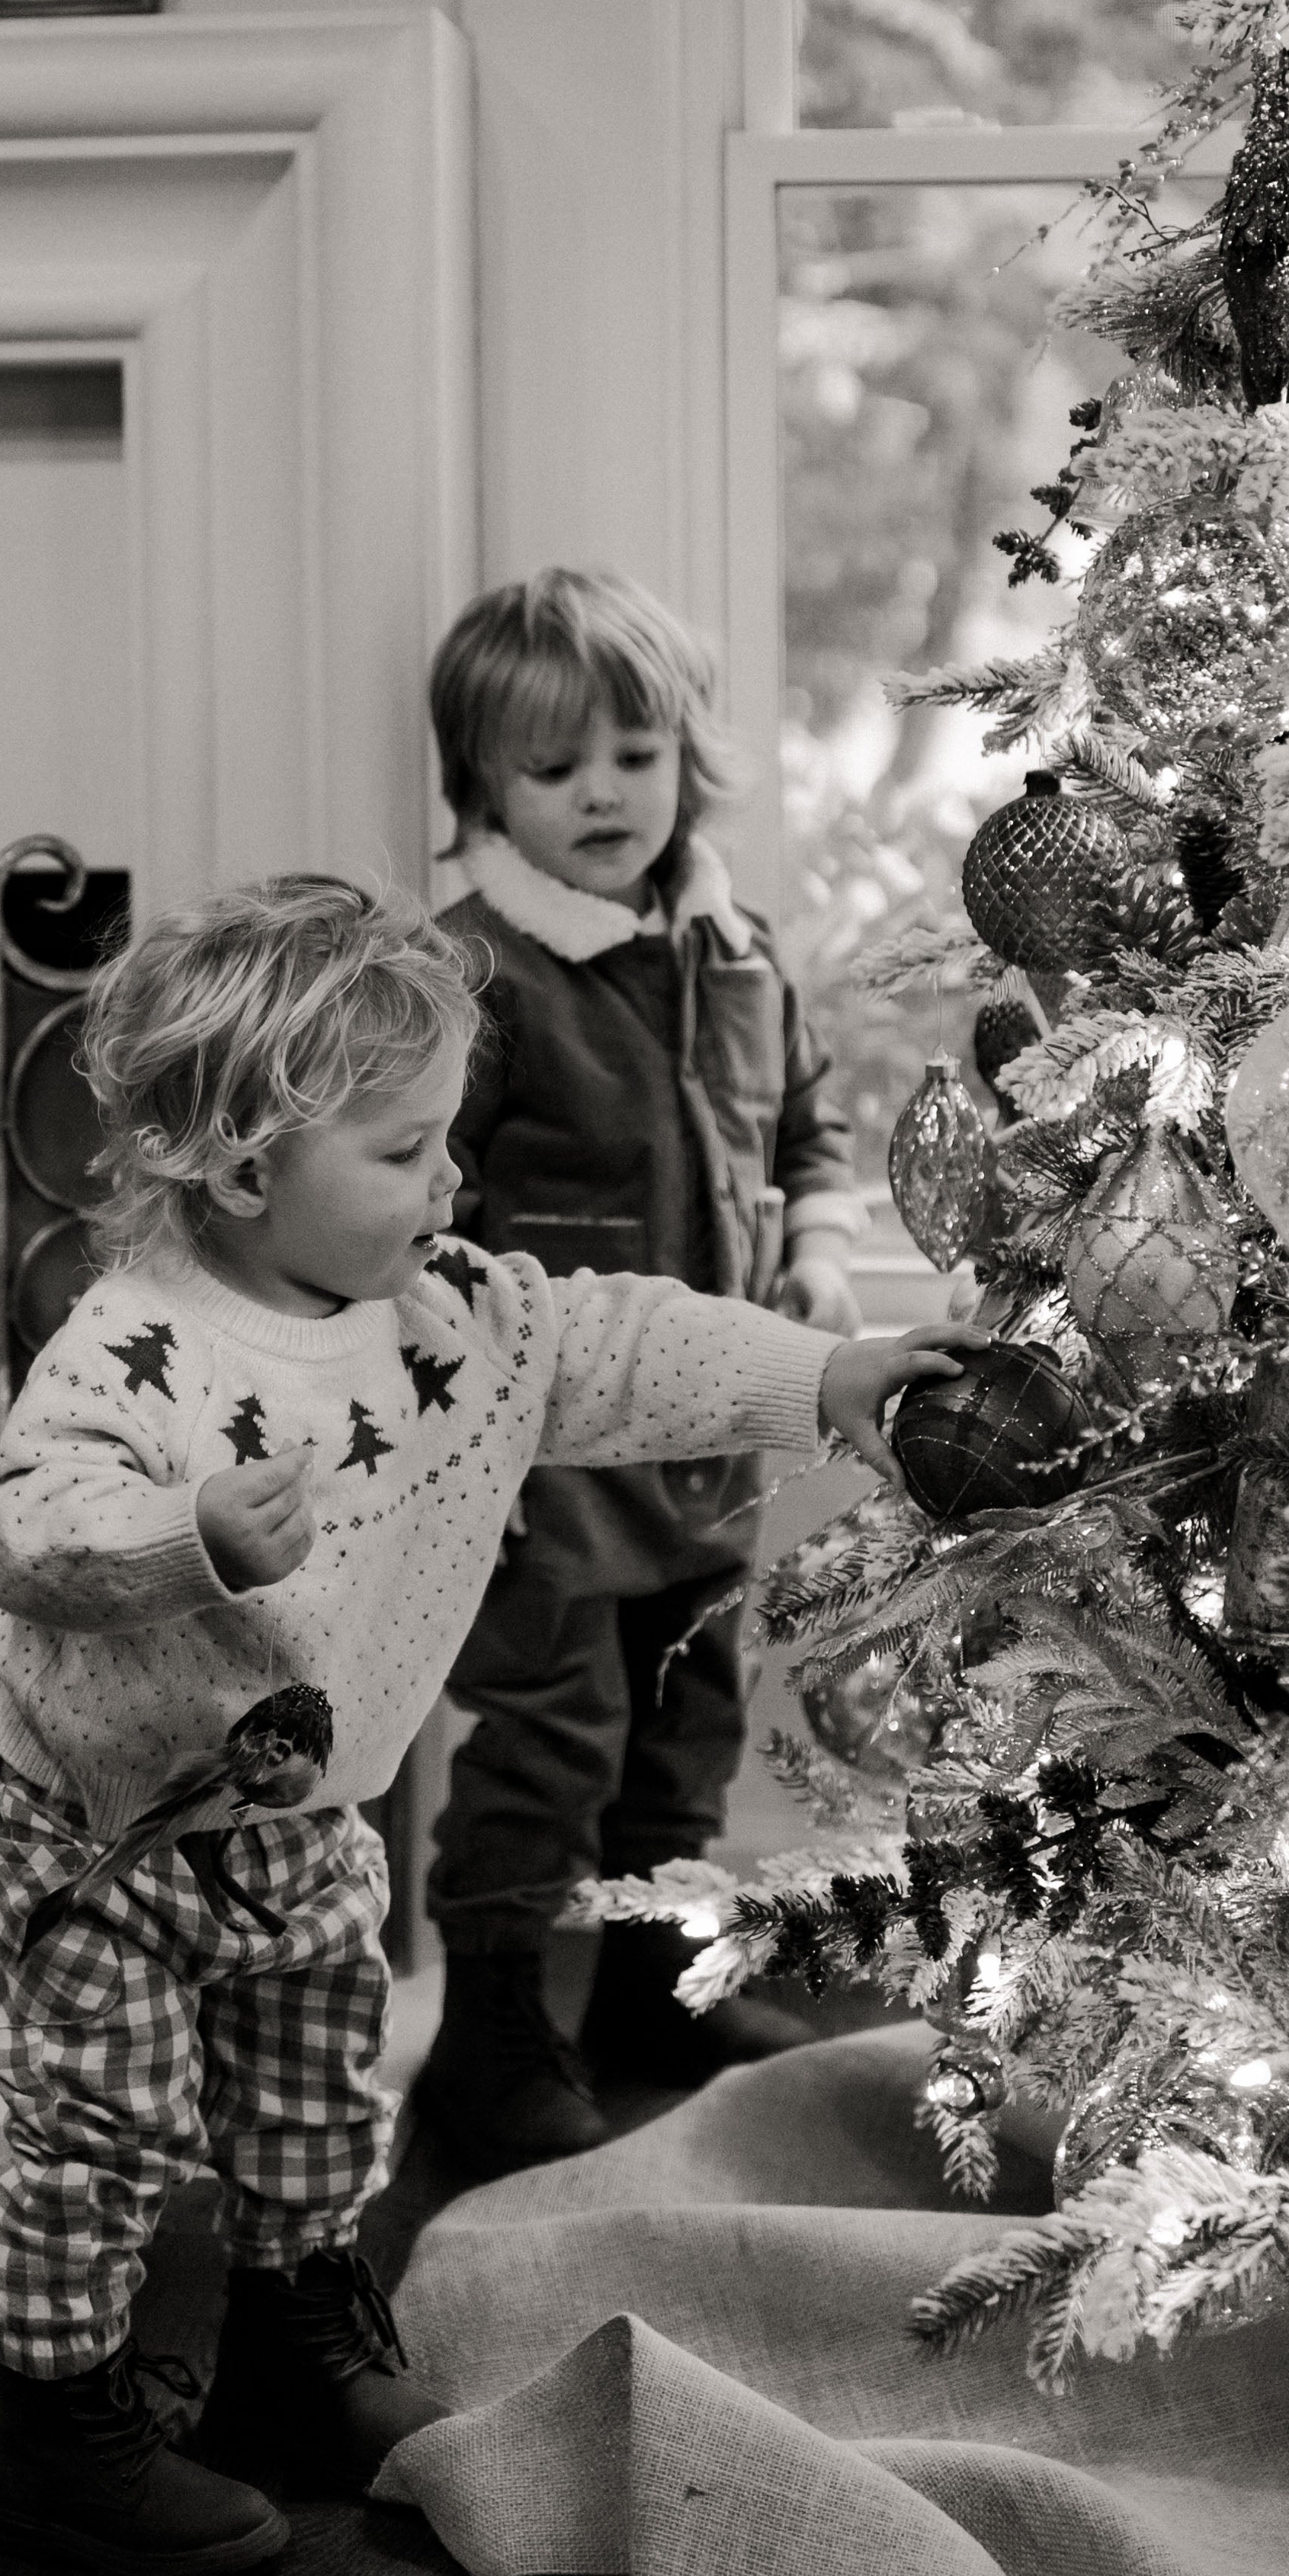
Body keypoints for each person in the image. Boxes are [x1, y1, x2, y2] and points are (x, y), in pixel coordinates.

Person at [0, 870, 966, 2576]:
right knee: (101, 2133)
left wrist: (824, 1375)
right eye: (408, 1151)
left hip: (305, 1812)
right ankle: (55, 2426)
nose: (454, 1176)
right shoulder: (136, 1349)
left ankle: (290, 2352)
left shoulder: (452, 1317)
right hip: (105, 1829)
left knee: (311, 2097)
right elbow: (15, 1521)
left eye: (444, 1140)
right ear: (250, 1163)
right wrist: (188, 1530)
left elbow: (612, 1337)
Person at [412, 569, 867, 2177]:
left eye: (633, 750)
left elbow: (802, 1115)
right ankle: (484, 2041)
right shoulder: (473, 980)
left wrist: (815, 1240)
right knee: (550, 1737)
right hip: (540, 1454)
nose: (603, 792)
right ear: (481, 790)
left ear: (685, 756)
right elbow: (414, 1197)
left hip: (707, 1445)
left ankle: (649, 1995)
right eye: (552, 769)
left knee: (681, 1723)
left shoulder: (731, 949)